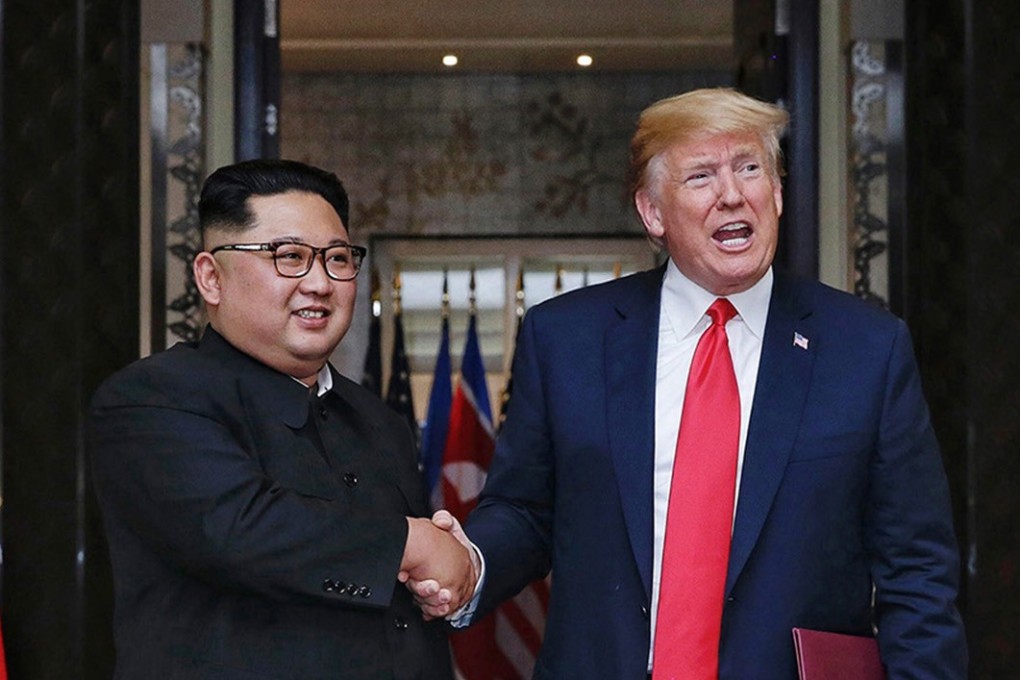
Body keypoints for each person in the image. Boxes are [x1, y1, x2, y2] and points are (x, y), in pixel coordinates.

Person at [413, 88, 967, 678]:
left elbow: (918, 572)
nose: (732, 194)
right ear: (653, 212)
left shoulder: (866, 350)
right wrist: (471, 564)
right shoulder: (567, 340)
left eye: (750, 168)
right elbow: (524, 510)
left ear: (776, 194)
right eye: (701, 176)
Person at [89, 159, 473, 679]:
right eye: (289, 257)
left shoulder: (379, 420)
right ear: (210, 277)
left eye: (337, 259)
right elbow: (239, 530)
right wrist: (413, 544)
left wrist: (444, 577)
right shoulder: (151, 398)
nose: (319, 282)